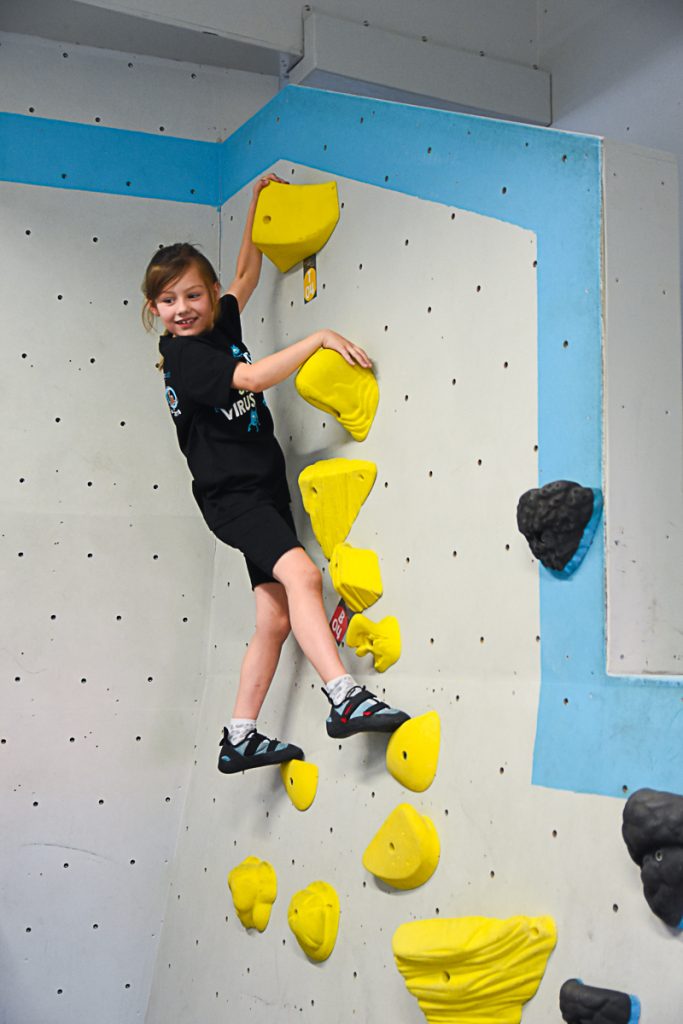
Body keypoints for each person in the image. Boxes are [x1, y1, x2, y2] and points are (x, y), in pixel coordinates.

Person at [142, 173, 409, 775]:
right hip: (233, 498)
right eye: (168, 301)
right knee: (303, 577)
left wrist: (258, 210)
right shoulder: (185, 358)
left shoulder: (219, 323)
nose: (182, 309)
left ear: (207, 296)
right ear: (154, 309)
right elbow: (255, 380)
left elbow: (245, 275)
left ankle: (240, 735)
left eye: (192, 295)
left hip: (260, 490)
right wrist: (317, 336)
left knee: (276, 614)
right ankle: (343, 696)